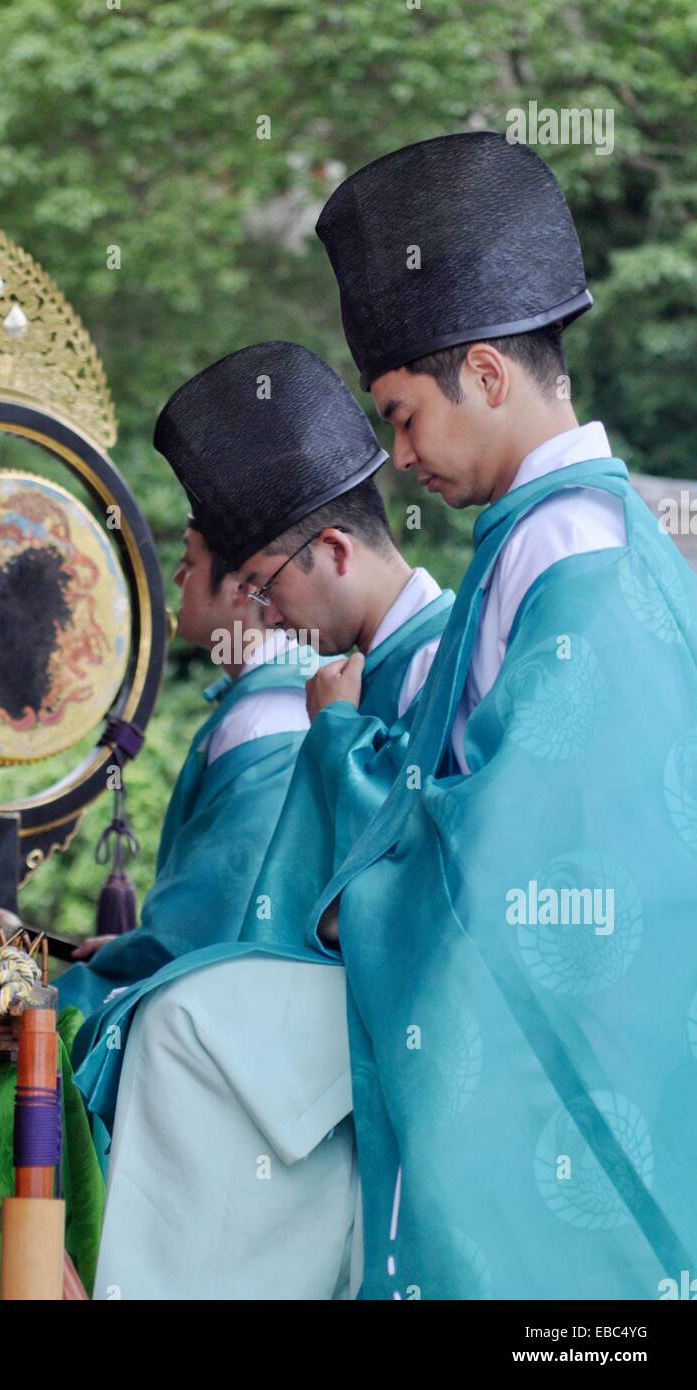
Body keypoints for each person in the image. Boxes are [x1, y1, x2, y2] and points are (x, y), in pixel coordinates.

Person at [301, 129, 697, 1299]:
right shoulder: (559, 535)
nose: (397, 454)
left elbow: (523, 862)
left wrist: (358, 878)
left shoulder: (564, 550)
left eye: (401, 414)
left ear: (483, 372)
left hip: (575, 1067)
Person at [72, 341, 453, 1299]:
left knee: (180, 1026)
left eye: (265, 581)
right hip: (352, 993)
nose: (263, 609)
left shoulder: (441, 651)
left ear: (331, 550)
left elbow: (417, 883)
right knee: (172, 1020)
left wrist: (334, 741)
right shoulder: (358, 666)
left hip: (419, 1011)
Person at [55, 519, 314, 1020]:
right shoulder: (271, 696)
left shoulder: (268, 719)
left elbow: (205, 931)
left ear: (246, 588)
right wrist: (134, 944)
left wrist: (126, 955)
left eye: (190, 562)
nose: (177, 579)